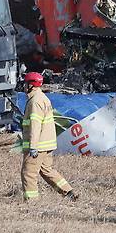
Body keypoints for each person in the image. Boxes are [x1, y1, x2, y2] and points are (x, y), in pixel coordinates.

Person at [21, 72, 79, 201]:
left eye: (25, 83)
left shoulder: (35, 102)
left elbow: (35, 126)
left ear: (31, 85)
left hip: (39, 146)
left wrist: (33, 147)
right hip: (48, 144)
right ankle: (69, 192)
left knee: (29, 173)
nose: (24, 86)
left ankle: (32, 201)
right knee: (46, 170)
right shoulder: (42, 98)